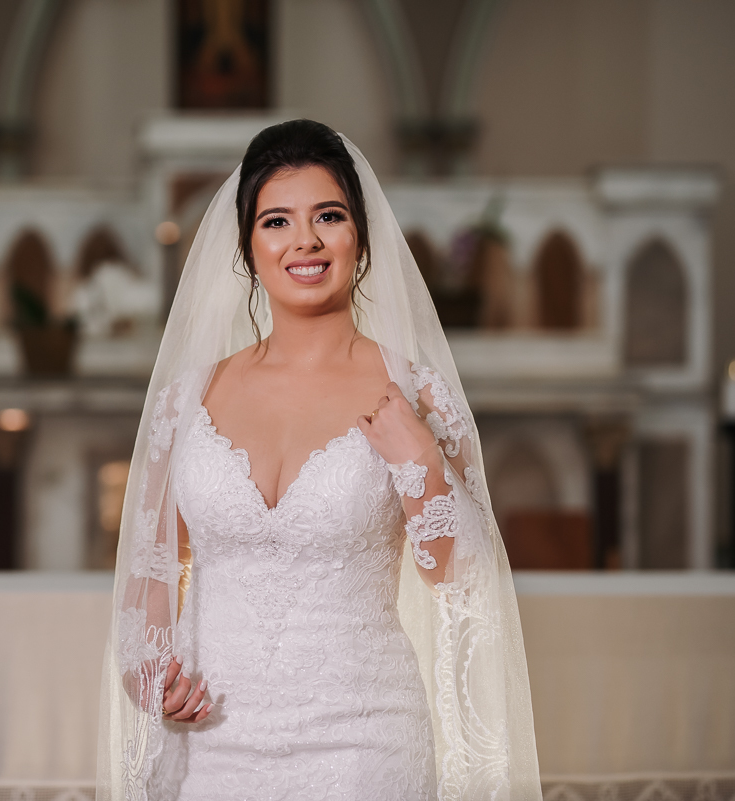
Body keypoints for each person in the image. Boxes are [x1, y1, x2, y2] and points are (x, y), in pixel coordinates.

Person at [97, 120, 540, 801]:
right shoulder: (187, 399)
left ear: (360, 236)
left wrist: (418, 454)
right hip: (210, 750)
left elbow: (463, 574)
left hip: (366, 746)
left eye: (328, 216)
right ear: (247, 246)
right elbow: (150, 573)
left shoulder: (415, 389)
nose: (304, 240)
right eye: (277, 221)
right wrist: (148, 673)